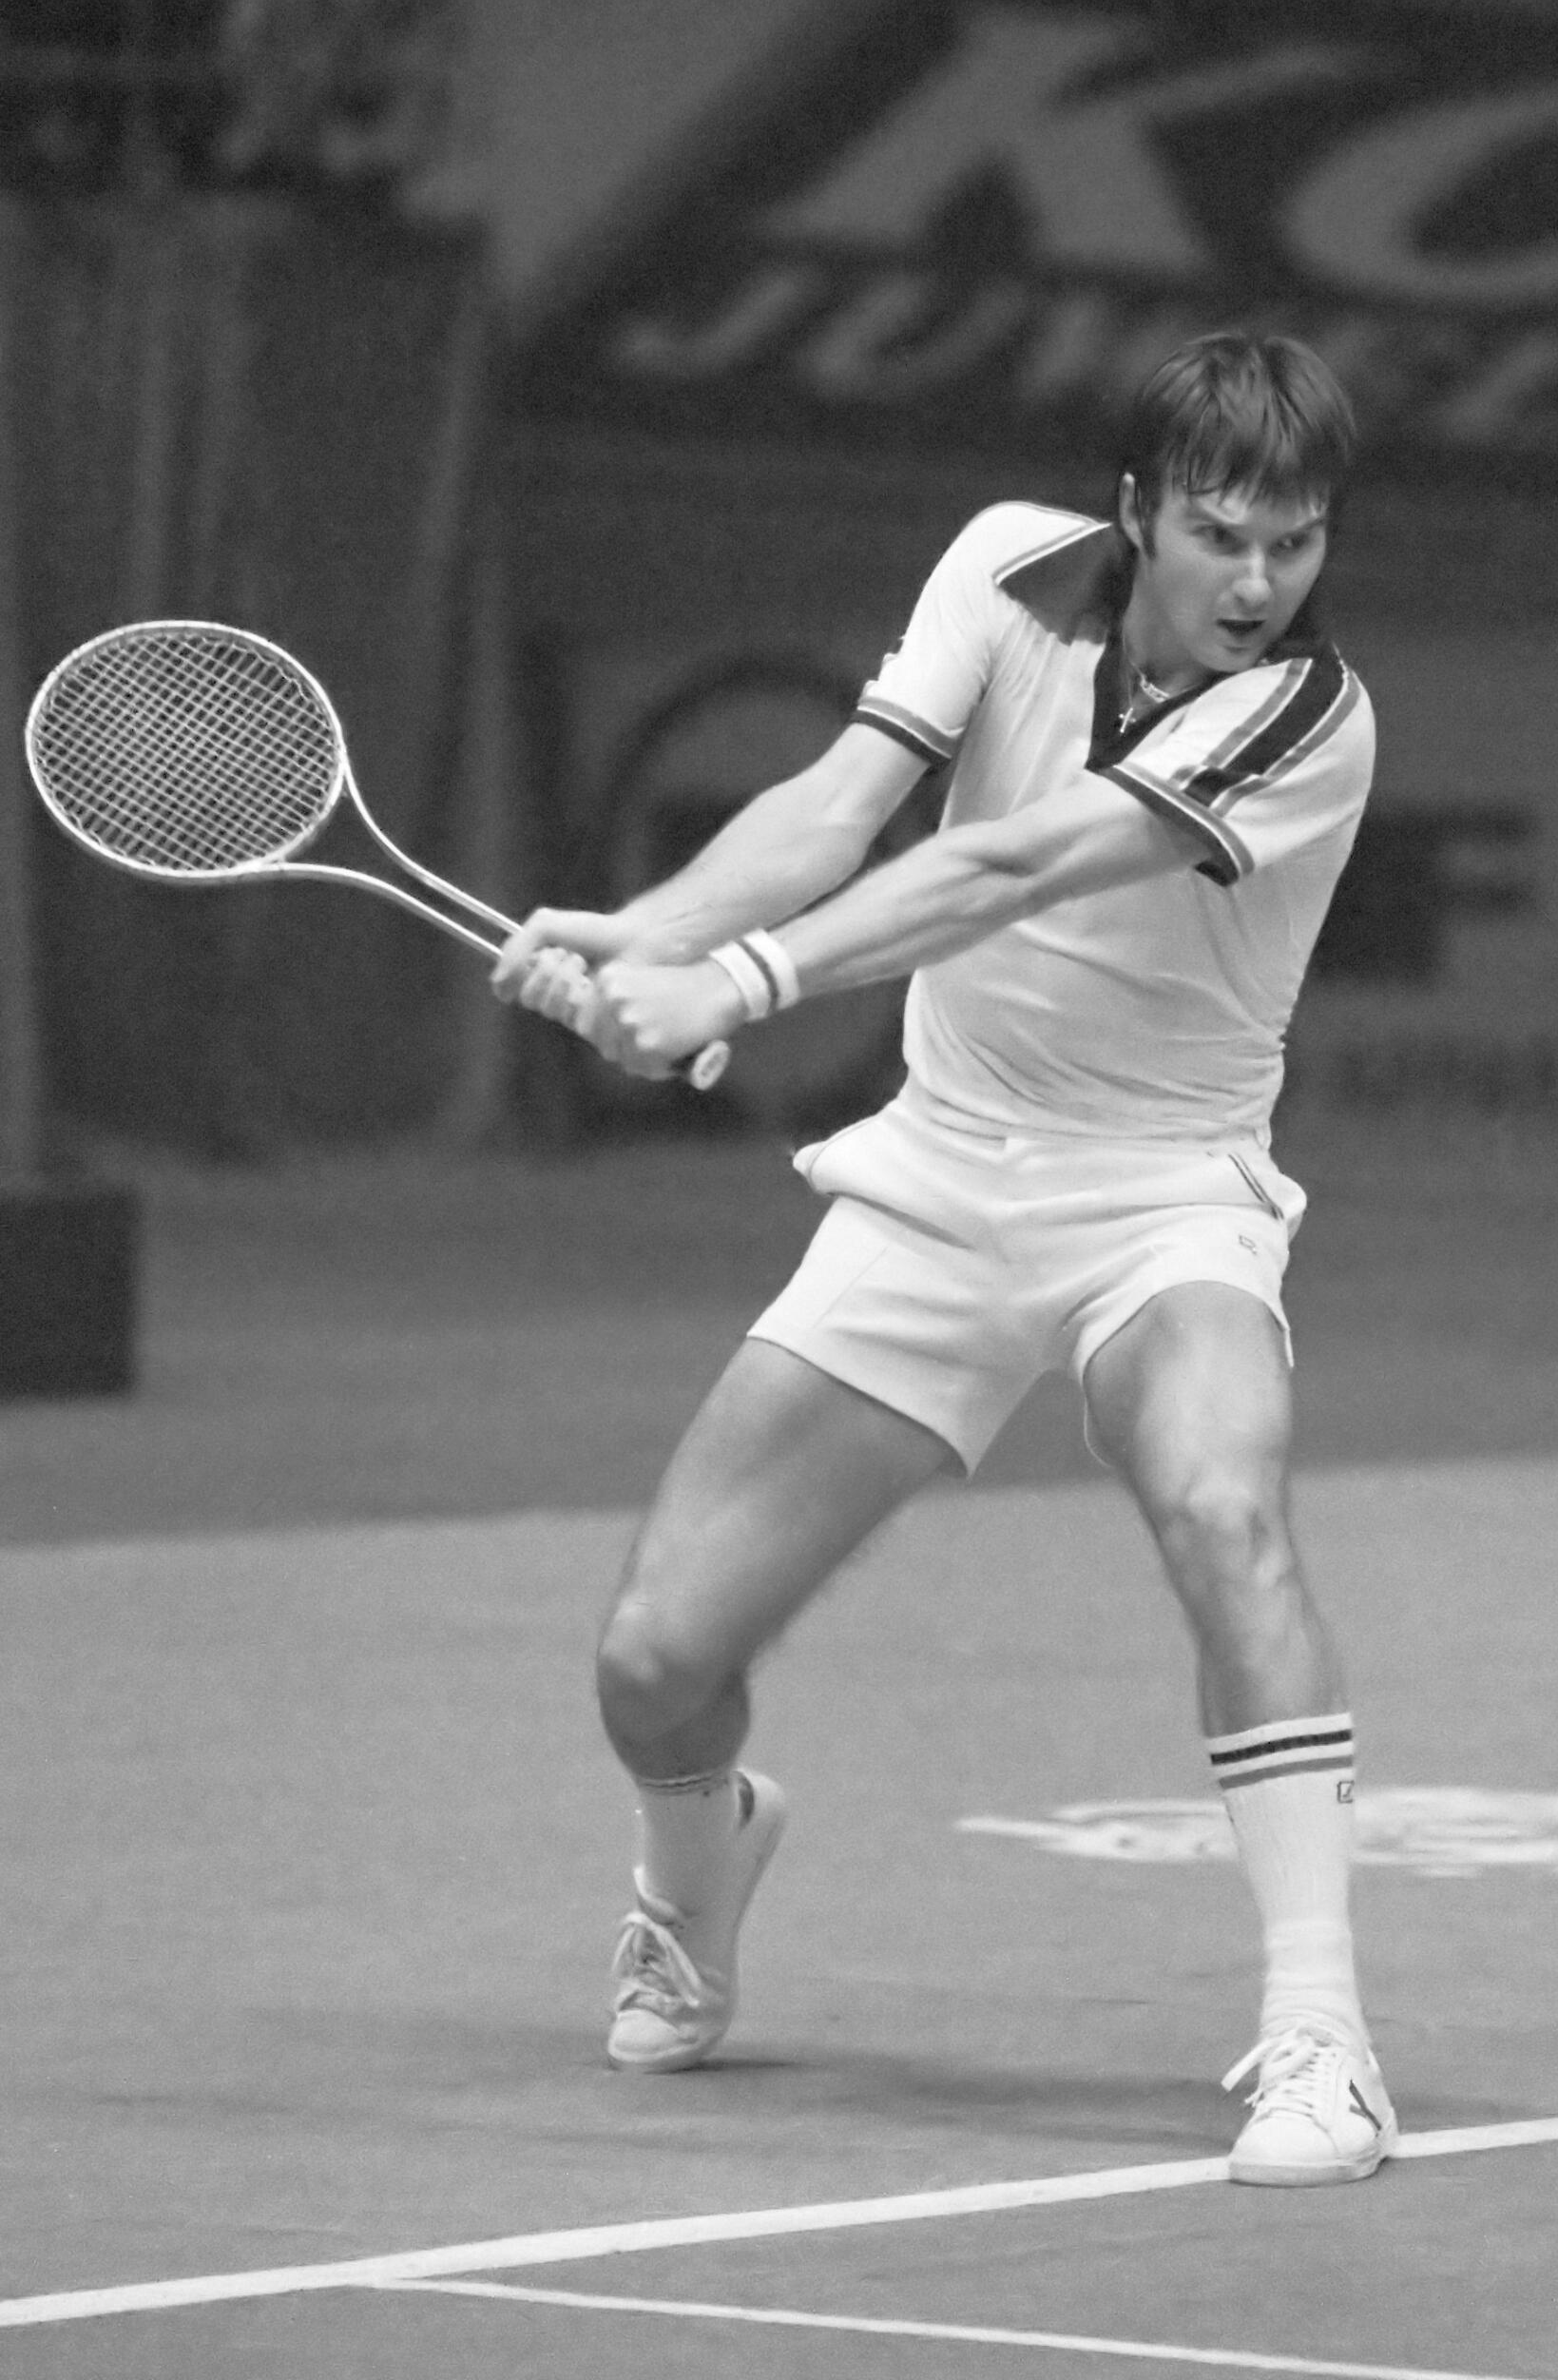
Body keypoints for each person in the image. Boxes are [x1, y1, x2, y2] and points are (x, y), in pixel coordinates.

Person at [493, 332, 1395, 2188]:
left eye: (1292, 543)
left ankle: (1322, 2030)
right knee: (655, 1663)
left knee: (1225, 1505)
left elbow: (1007, 870)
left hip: (1163, 1193)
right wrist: (642, 936)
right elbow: (840, 805)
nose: (1255, 582)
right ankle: (698, 1866)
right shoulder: (999, 566)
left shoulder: (1309, 713)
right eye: (1221, 534)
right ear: (1131, 508)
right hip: (935, 1186)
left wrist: (729, 984)